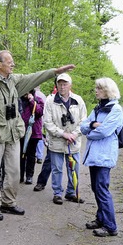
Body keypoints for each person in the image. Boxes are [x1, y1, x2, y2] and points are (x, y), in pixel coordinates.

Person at [0, 50, 75, 221]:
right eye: (9, 61)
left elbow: (34, 77)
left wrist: (55, 72)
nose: (13, 64)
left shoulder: (14, 80)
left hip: (13, 133)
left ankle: (8, 203)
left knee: (13, 171)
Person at [79, 77, 123, 237]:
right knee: (96, 188)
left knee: (101, 189)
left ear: (107, 91)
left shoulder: (116, 110)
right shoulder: (98, 108)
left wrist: (90, 132)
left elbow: (104, 132)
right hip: (95, 155)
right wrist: (92, 125)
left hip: (104, 156)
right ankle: (101, 218)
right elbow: (83, 125)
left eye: (99, 88)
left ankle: (111, 226)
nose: (96, 91)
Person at [43, 73, 87, 205]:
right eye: (60, 84)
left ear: (70, 85)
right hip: (56, 142)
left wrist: (74, 134)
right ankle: (57, 193)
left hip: (73, 142)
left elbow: (84, 121)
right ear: (56, 85)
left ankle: (71, 192)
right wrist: (63, 134)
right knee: (57, 168)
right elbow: (47, 122)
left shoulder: (78, 100)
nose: (62, 87)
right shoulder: (50, 101)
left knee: (74, 168)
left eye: (65, 84)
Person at [19, 89, 44, 184]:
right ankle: (20, 175)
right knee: (20, 154)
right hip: (21, 132)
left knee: (31, 155)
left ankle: (29, 176)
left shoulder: (38, 100)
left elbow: (39, 112)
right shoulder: (19, 101)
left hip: (34, 133)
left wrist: (31, 101)